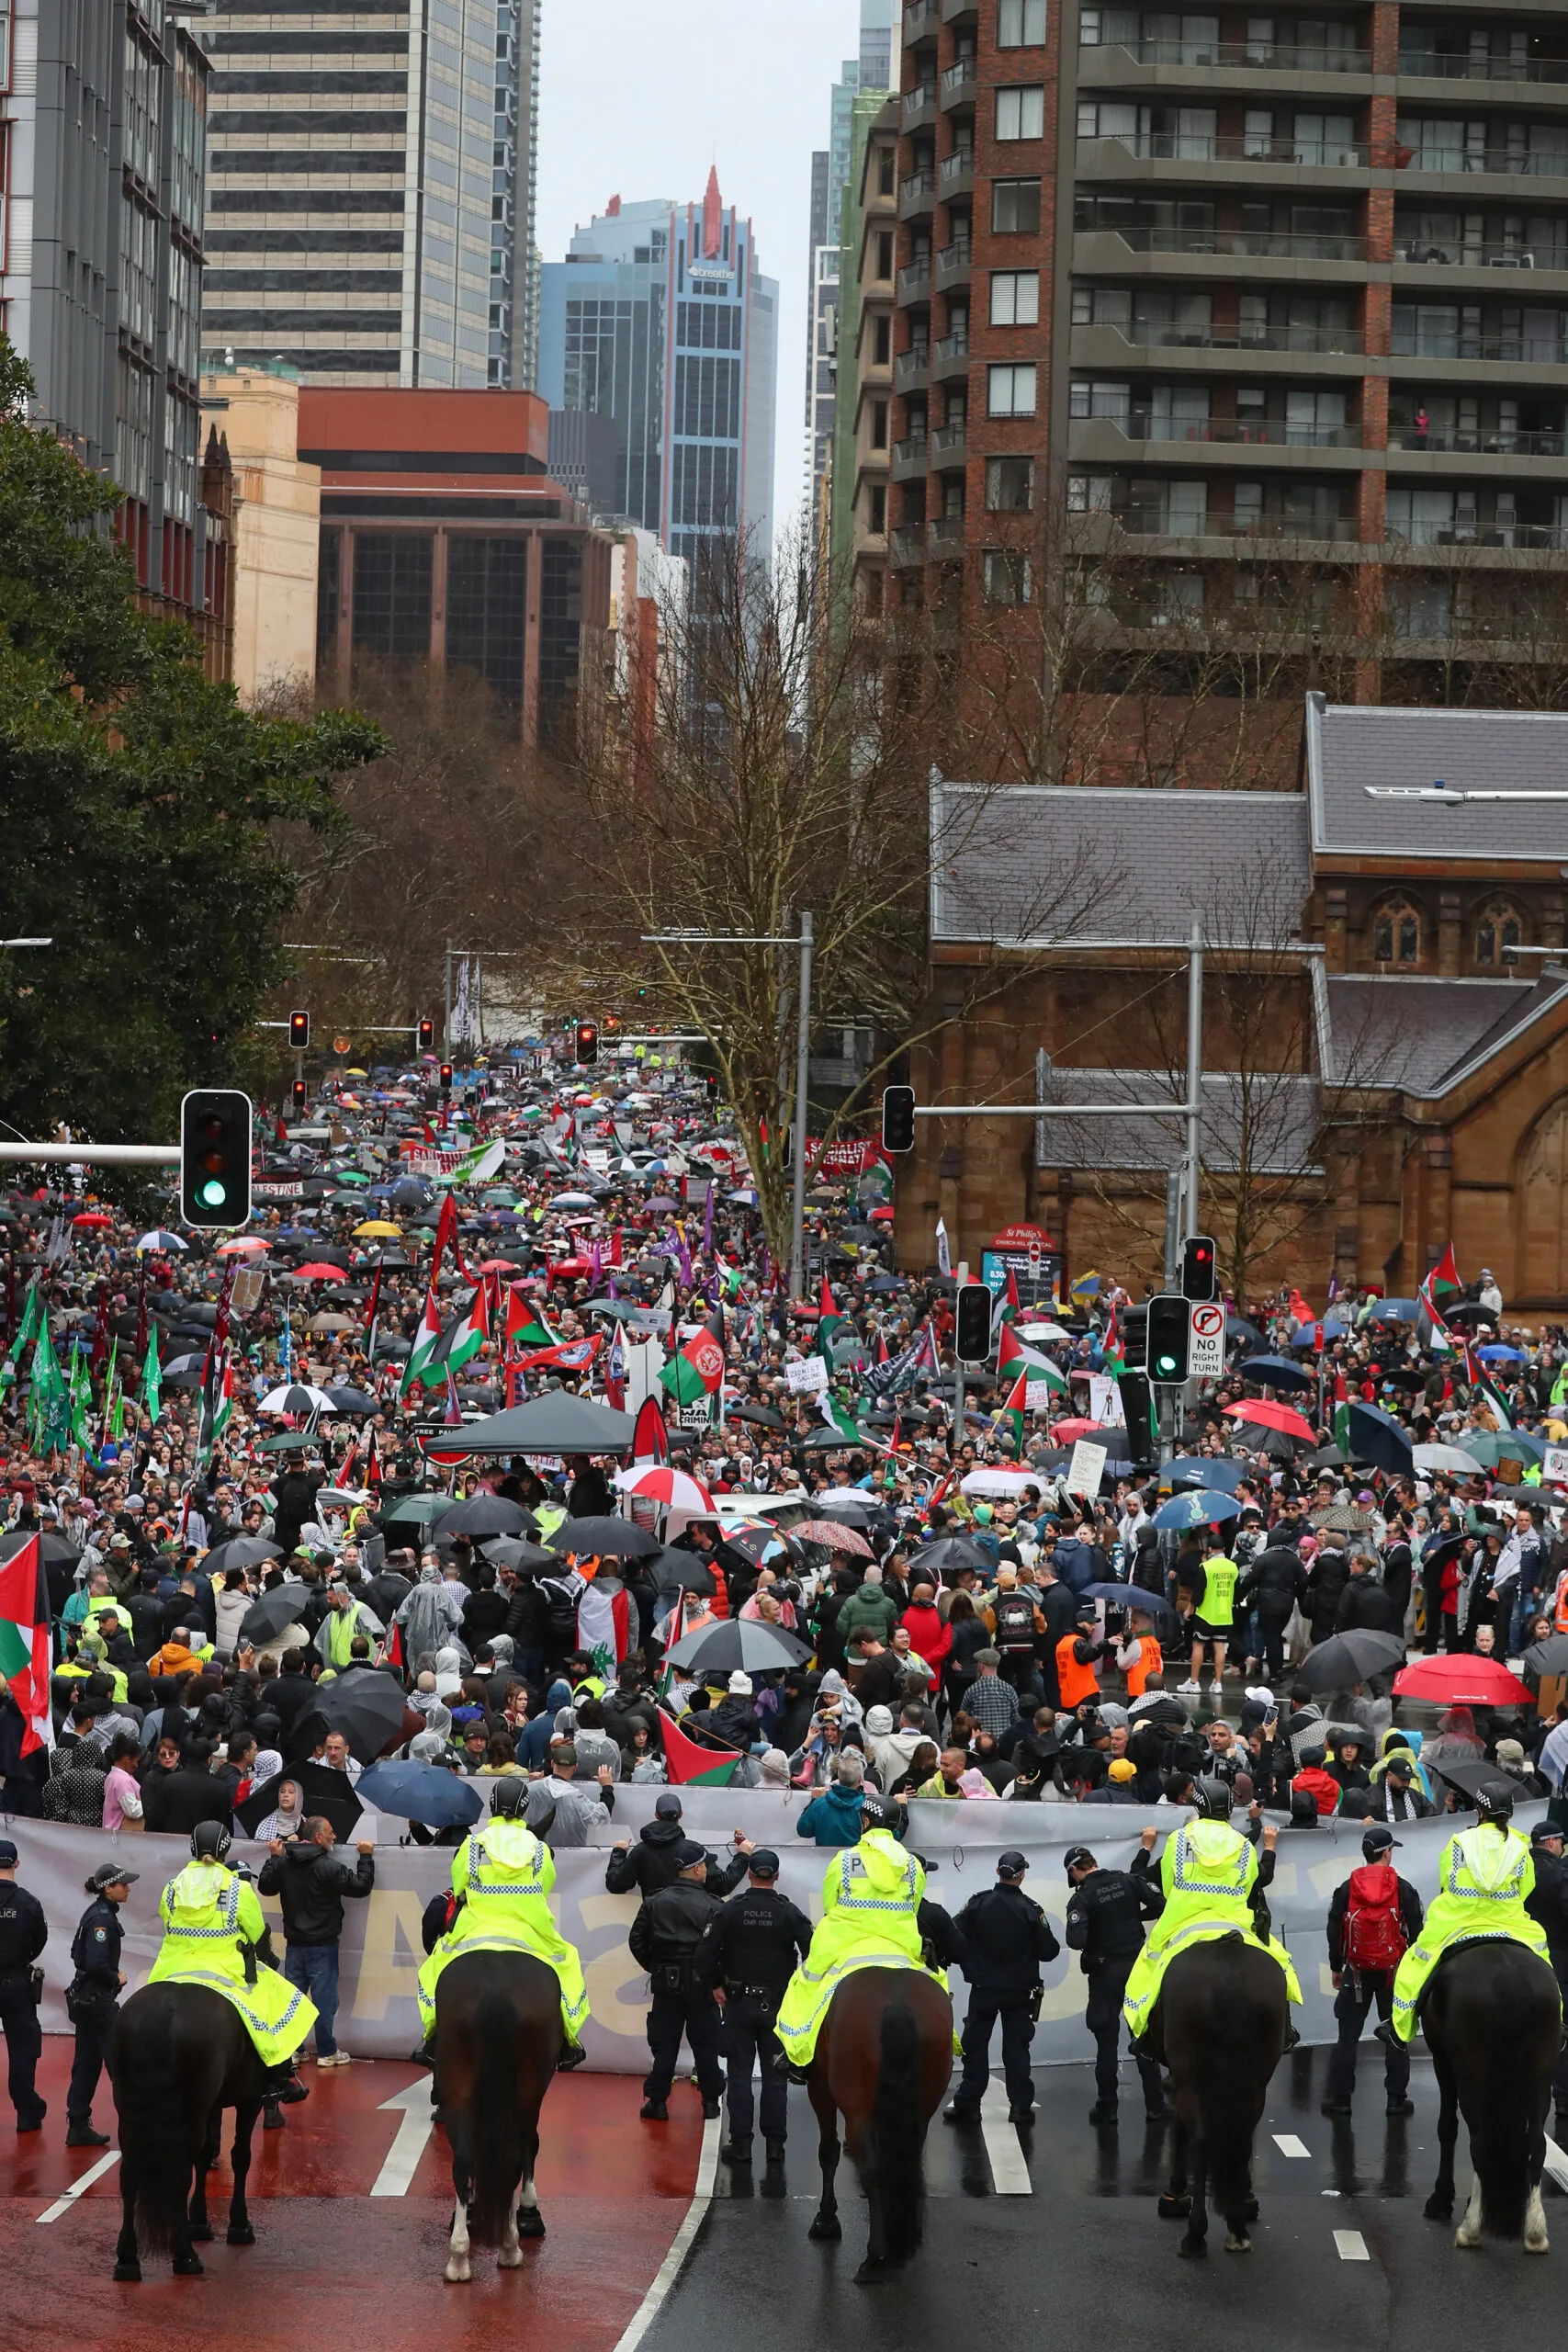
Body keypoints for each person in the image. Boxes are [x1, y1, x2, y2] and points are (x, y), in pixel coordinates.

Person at [414, 1781, 590, 2064]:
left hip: (475, 1926)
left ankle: (431, 2035)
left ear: (493, 1805)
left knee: (437, 1964)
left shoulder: (472, 1844)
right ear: (524, 1809)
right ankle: (570, 2040)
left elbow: (459, 1886)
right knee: (568, 1962)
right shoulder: (540, 1849)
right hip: (530, 1929)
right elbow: (544, 1886)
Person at [1122, 1782, 1303, 2043]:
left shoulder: (1179, 1839)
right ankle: (1285, 2029)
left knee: (1148, 1965)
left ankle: (1144, 2034)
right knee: (1277, 1961)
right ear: (1229, 1810)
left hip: (1182, 1920)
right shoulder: (1243, 1845)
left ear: (1198, 1806)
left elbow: (1168, 1884)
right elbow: (1250, 1882)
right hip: (1235, 1920)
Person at [146, 1820, 317, 2098]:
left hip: (170, 1969)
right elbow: (257, 1933)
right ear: (226, 1850)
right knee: (278, 2000)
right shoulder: (239, 1889)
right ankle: (280, 2076)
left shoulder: (172, 1888)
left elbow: (167, 1923)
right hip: (226, 1970)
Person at [1384, 1781, 1551, 2045]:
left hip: (1458, 1921)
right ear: (1508, 1813)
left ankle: (1400, 2028)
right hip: (1509, 1921)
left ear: (1480, 1811)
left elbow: (1447, 1882)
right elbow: (1525, 1888)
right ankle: (1559, 2024)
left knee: (1415, 1962)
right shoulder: (1520, 1848)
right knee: (1543, 1957)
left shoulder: (1459, 1842)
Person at [774, 1825, 946, 2076]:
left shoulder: (844, 1860)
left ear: (865, 1822)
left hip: (846, 1939)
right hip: (899, 1941)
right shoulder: (912, 1865)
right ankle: (947, 2042)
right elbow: (914, 1904)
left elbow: (830, 1903)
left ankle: (797, 2058)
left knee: (807, 1983)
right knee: (935, 1984)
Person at [692, 1848, 810, 2167]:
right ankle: (775, 2148)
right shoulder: (789, 1912)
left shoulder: (731, 1911)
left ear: (748, 1874)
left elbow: (704, 1954)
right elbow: (814, 1951)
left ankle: (741, 2146)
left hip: (738, 2003)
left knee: (740, 2074)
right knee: (775, 2077)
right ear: (776, 1876)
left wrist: (716, 1985)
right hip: (777, 2005)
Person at [942, 1851, 1057, 2129]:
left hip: (983, 1989)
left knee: (975, 2046)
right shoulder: (1031, 1909)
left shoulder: (978, 1903)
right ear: (1022, 1875)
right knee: (1016, 2048)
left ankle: (968, 2104)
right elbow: (1050, 1951)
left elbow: (954, 1935)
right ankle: (1020, 2107)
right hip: (1018, 1991)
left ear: (997, 1871)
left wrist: (971, 1960)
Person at [1320, 1825, 1424, 2118]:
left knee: (1348, 2036)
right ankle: (1395, 2100)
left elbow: (1334, 1928)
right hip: (1394, 1972)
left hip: (1357, 1971)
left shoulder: (1347, 1887)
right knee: (1395, 2032)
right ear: (1387, 1853)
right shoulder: (1402, 1888)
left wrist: (1337, 1966)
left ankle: (1341, 2099)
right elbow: (1417, 1930)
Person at [1064, 1842, 1169, 2126]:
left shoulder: (1082, 1899)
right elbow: (1162, 1905)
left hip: (1104, 1974)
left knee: (1106, 2044)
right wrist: (1136, 1915)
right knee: (1143, 2036)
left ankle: (1107, 2108)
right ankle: (1156, 2106)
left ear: (1074, 1870)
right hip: (1137, 1970)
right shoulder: (1129, 1880)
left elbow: (1075, 1941)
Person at [258, 1815, 376, 2066]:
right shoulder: (328, 1867)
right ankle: (326, 2051)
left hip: (295, 1945)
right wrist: (365, 1857)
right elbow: (361, 1886)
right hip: (323, 1945)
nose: (335, 1837)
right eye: (331, 1832)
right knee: (324, 2001)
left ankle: (294, 2049)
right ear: (318, 1838)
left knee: (293, 2001)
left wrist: (274, 1858)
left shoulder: (285, 1864)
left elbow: (266, 1887)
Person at [628, 1842, 726, 2121]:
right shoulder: (713, 1905)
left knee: (665, 2045)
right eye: (705, 1865)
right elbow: (721, 1948)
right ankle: (710, 2102)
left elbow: (637, 1940)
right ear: (696, 1869)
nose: (707, 1870)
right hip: (701, 1984)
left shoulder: (655, 1901)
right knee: (706, 2045)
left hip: (665, 1983)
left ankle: (657, 2101)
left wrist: (656, 1966)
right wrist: (713, 1977)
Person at [65, 1862, 137, 2146]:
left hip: (87, 1999)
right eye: (123, 1884)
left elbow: (75, 1954)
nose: (128, 1888)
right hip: (99, 2001)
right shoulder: (102, 1919)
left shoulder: (96, 1914)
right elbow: (95, 1962)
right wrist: (114, 1978)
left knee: (87, 2064)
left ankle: (78, 2124)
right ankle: (133, 2130)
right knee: (119, 2064)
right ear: (109, 1888)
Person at [605, 1790, 751, 1896]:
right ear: (681, 1814)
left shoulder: (640, 1851)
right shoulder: (693, 1851)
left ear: (656, 1815)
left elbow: (617, 1885)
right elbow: (721, 1886)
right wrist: (743, 1856)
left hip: (653, 1925)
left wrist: (619, 1852)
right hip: (690, 1926)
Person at [0, 1838, 48, 2132]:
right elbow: (39, 1940)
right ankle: (27, 2112)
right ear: (17, 1864)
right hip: (16, 1981)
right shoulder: (29, 1903)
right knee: (22, 2049)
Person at [1526, 1820, 1568, 2137]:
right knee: (1561, 2029)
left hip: (1522, 1958)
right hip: (1559, 1960)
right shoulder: (1560, 1874)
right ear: (1552, 1843)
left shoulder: (1518, 1870)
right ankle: (1563, 2099)